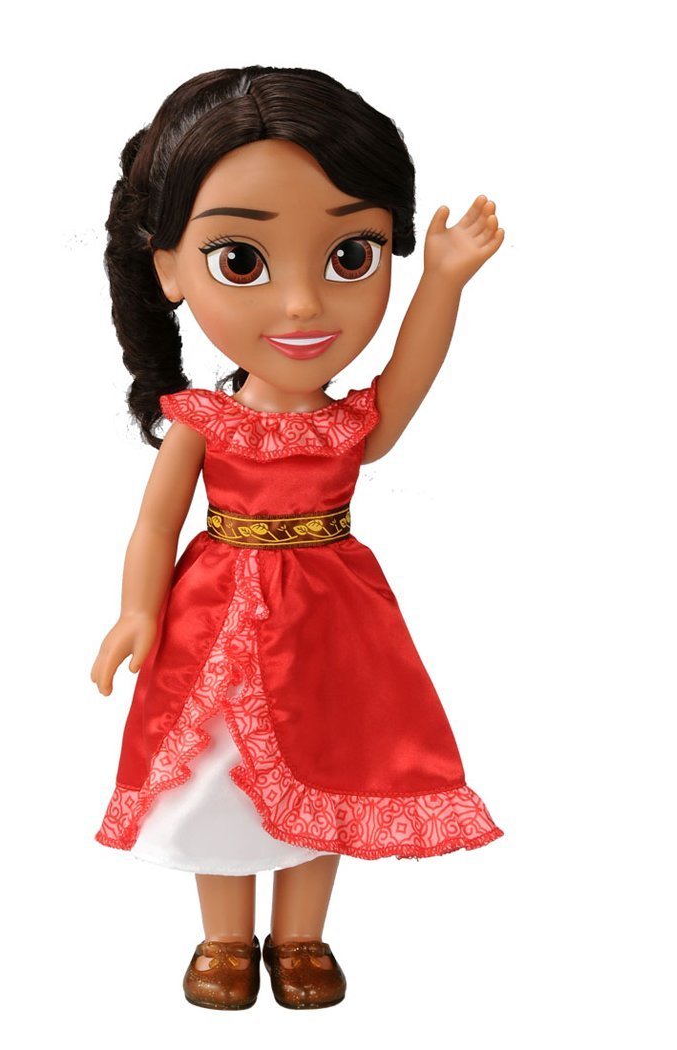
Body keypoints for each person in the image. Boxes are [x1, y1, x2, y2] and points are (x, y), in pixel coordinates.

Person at [91, 65, 505, 1011]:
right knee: (217, 777)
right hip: (216, 621)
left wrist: (444, 280)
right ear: (169, 269)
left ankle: (302, 938)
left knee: (333, 764)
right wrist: (136, 611)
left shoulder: (349, 424)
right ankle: (224, 939)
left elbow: (408, 373)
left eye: (351, 255)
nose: (304, 307)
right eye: (242, 260)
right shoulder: (202, 419)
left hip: (332, 619)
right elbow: (156, 520)